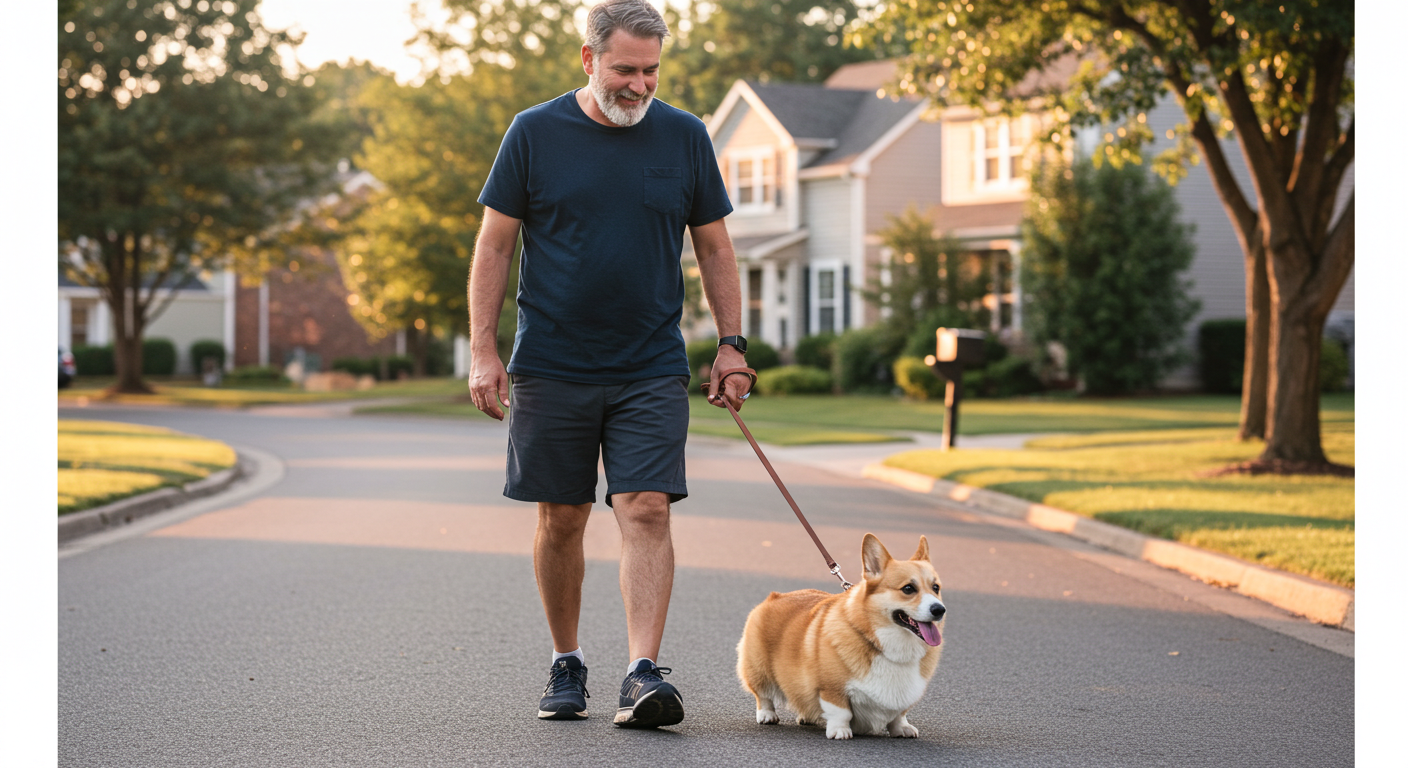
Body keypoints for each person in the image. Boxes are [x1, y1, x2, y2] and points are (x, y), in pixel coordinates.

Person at [465, 0, 750, 729]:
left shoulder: (685, 137)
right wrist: (484, 351)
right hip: (553, 362)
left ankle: (642, 671)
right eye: (626, 69)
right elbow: (494, 246)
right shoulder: (534, 133)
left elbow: (716, 249)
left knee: (646, 508)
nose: (640, 85)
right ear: (589, 60)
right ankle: (567, 661)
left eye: (651, 70)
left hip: (650, 363)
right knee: (561, 517)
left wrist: (731, 344)